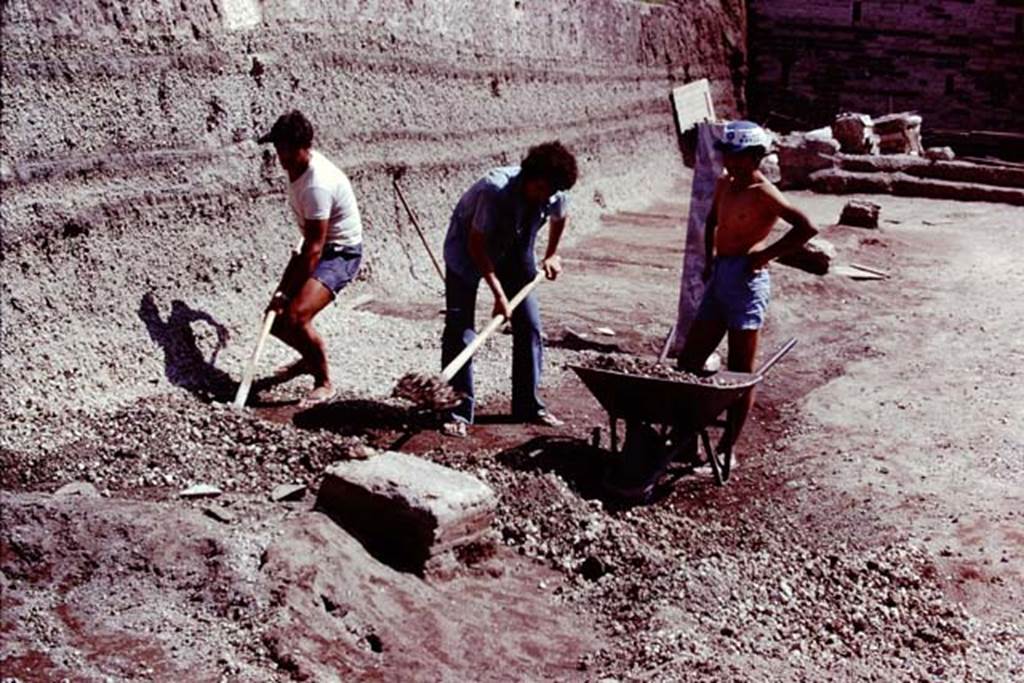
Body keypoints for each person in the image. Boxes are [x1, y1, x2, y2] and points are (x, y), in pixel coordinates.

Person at [678, 120, 817, 462]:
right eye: (727, 155)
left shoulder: (764, 192)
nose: (730, 162)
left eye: (738, 156)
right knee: (689, 361)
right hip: (721, 275)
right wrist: (709, 260)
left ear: (756, 157)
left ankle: (727, 450)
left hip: (746, 281)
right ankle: (685, 437)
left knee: (740, 371)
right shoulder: (725, 184)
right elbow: (712, 221)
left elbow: (806, 227)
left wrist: (765, 255)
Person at [441, 141, 579, 436]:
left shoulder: (552, 190)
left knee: (529, 325)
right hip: (467, 251)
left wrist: (552, 254)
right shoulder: (495, 190)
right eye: (541, 189)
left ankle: (528, 406)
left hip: (515, 249)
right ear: (529, 177)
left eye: (551, 191)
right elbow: (477, 246)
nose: (547, 196)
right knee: (461, 330)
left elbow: (560, 215)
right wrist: (499, 295)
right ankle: (457, 411)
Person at [256, 110, 363, 405]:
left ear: (303, 147)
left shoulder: (317, 184)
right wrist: (282, 292)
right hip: (317, 247)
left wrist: (286, 292)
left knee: (296, 316)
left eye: (286, 149)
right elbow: (310, 246)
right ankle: (309, 358)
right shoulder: (298, 168)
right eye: (278, 148)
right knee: (276, 321)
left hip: (340, 252)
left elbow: (315, 249)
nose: (281, 156)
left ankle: (324, 381)